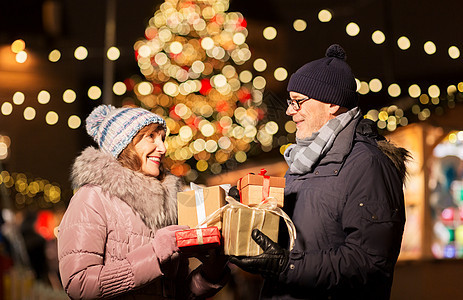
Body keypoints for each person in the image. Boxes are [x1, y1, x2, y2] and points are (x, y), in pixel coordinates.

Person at [230, 44, 410, 300]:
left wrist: (286, 266)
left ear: (332, 104)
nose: (290, 110)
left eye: (298, 101)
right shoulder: (302, 161)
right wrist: (248, 213)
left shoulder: (367, 164)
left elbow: (368, 261)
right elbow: (300, 238)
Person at [58, 104, 229, 299]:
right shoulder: (92, 198)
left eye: (163, 138)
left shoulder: (166, 205)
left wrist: (211, 273)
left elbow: (178, 293)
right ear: (124, 144)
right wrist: (156, 254)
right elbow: (78, 285)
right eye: (151, 137)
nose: (163, 148)